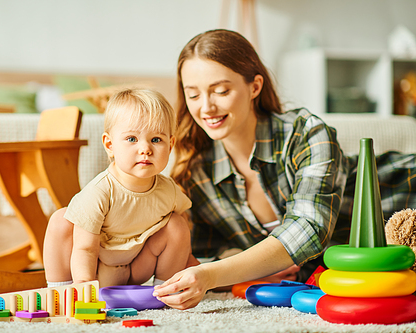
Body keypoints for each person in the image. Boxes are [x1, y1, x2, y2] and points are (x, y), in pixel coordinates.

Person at [152, 29, 416, 309]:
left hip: (404, 193)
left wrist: (213, 275)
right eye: (193, 95)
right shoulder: (198, 173)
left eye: (221, 91)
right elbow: (208, 250)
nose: (206, 107)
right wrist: (248, 265)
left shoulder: (307, 134)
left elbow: (309, 229)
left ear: (255, 87)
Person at [43, 88, 193, 288]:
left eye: (156, 140)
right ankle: (61, 290)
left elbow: (181, 232)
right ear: (110, 144)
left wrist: (191, 265)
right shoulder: (100, 192)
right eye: (132, 139)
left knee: (177, 224)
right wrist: (85, 286)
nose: (145, 149)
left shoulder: (169, 190)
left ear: (171, 145)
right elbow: (85, 249)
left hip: (138, 265)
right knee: (60, 220)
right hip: (97, 265)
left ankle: (168, 288)